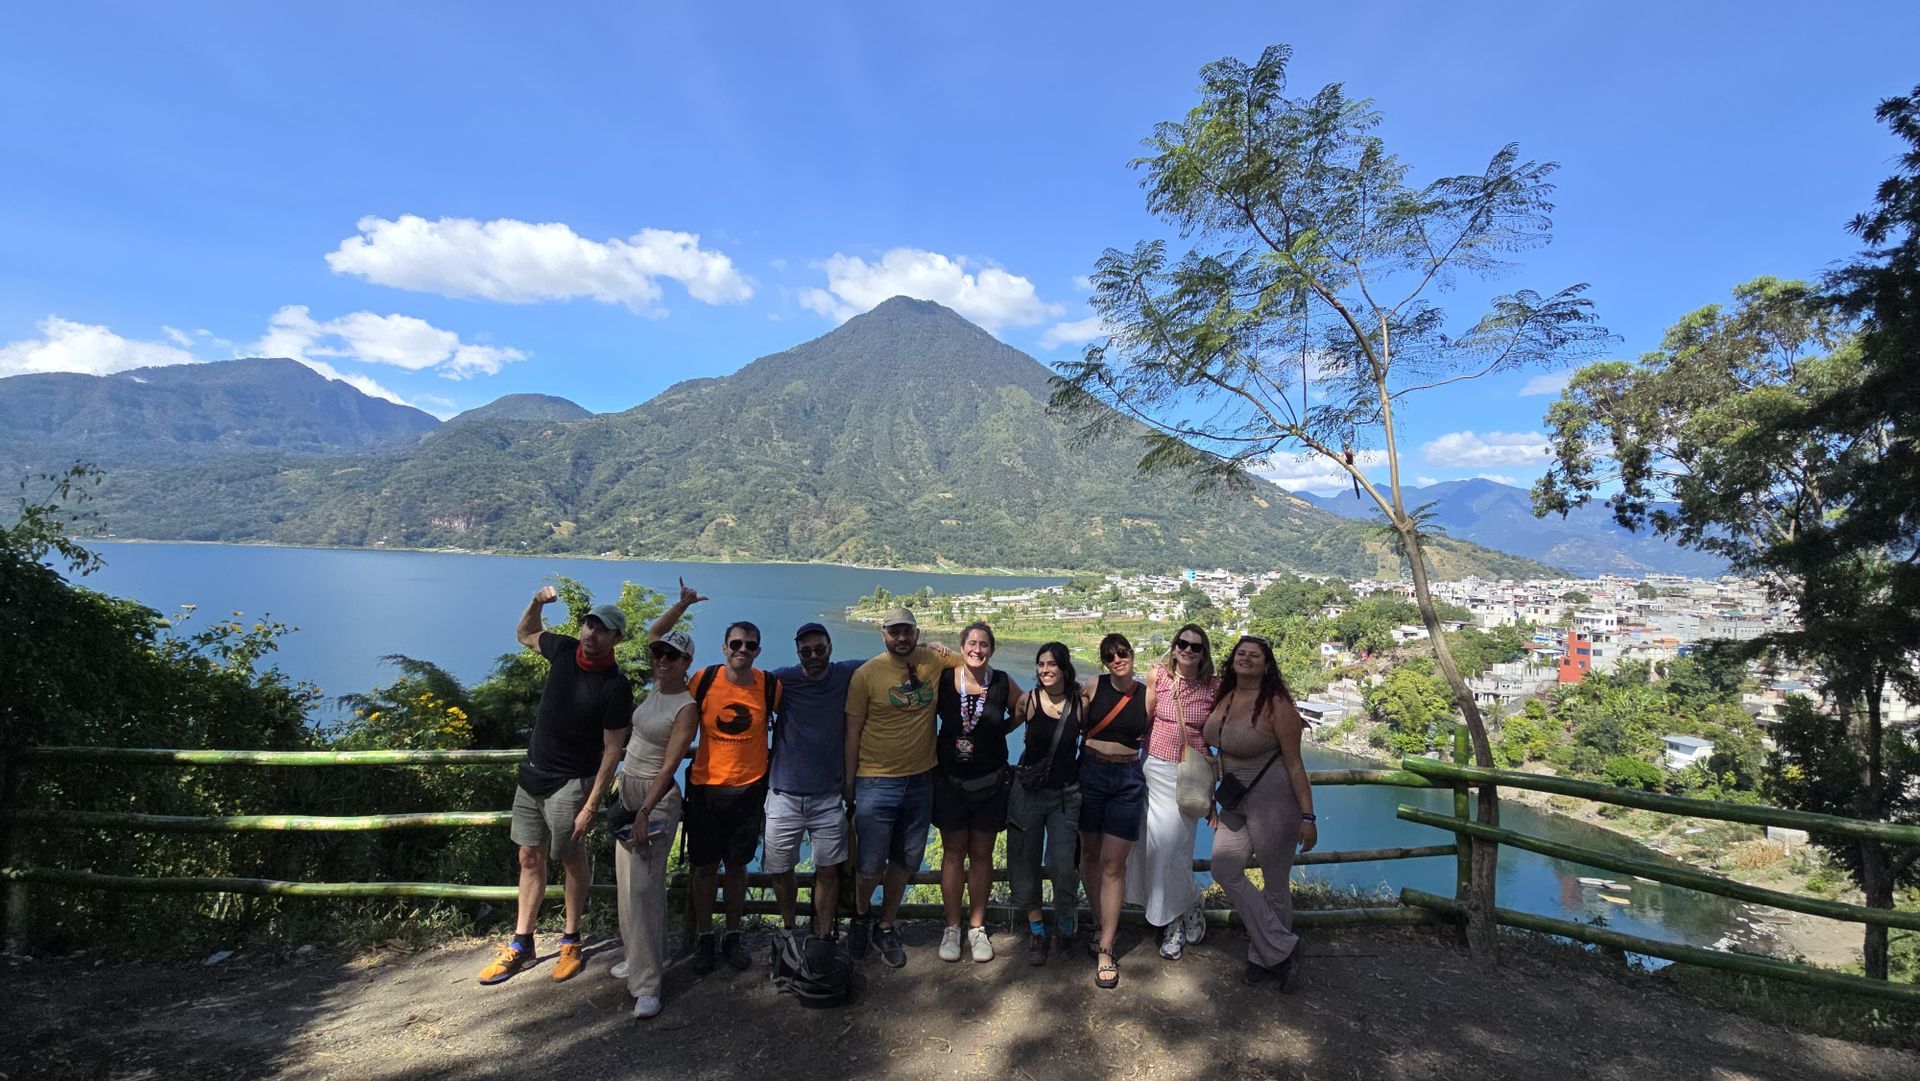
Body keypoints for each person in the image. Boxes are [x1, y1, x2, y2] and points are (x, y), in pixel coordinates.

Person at [476, 586, 632, 986]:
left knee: (570, 857)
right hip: (533, 774)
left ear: (616, 638)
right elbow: (526, 634)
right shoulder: (562, 650)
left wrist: (591, 804)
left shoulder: (616, 686)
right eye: (588, 624)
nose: (590, 634)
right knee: (529, 856)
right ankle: (522, 942)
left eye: (602, 629)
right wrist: (535, 603)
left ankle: (571, 940)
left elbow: (613, 751)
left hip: (572, 783)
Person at [634, 620, 782, 976]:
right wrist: (680, 607)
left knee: (736, 868)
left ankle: (731, 935)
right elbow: (659, 652)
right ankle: (704, 936)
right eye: (735, 644)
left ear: (758, 651)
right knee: (703, 869)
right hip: (705, 789)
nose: (741, 650)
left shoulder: (769, 687)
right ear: (724, 647)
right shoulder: (704, 679)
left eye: (749, 645)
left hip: (748, 791)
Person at [843, 606, 958, 968]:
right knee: (870, 863)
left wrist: (941, 647)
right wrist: (850, 782)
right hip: (877, 780)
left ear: (917, 632)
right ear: (884, 634)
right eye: (895, 632)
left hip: (922, 778)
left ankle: (886, 924)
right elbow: (852, 733)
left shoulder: (934, 661)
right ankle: (861, 916)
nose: (902, 638)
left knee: (906, 861)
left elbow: (973, 660)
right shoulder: (866, 674)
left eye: (908, 631)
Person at [610, 578, 704, 1019]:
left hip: (656, 798)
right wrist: (681, 605)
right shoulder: (655, 687)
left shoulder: (685, 706)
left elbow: (670, 765)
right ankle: (638, 957)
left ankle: (648, 984)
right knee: (627, 886)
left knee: (646, 889)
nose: (662, 659)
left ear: (687, 663)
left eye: (673, 656)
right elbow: (652, 633)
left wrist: (645, 810)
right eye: (659, 654)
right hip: (627, 789)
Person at [1203, 635, 1318, 991]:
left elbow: (1296, 765)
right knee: (1223, 867)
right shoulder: (1225, 694)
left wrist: (1308, 817)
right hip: (1236, 799)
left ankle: (1264, 957)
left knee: (1275, 882)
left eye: (1255, 655)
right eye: (1241, 653)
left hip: (1274, 799)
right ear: (1232, 659)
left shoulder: (1277, 705)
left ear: (1267, 665)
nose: (1247, 659)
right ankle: (1283, 948)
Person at [1127, 623, 1218, 960]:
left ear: (1204, 653)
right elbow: (1144, 720)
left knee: (1175, 850)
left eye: (1196, 647)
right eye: (1183, 643)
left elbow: (1218, 733)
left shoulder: (1213, 687)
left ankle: (1175, 918)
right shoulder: (1158, 677)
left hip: (1190, 776)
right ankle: (1184, 908)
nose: (1188, 650)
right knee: (1154, 849)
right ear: (1174, 645)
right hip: (1154, 769)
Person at [764, 622, 859, 942]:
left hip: (828, 795)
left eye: (819, 649)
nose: (813, 656)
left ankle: (823, 933)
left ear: (830, 647)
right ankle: (789, 929)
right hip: (783, 793)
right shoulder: (782, 680)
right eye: (806, 651)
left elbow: (889, 660)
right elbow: (744, 685)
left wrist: (930, 648)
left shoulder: (846, 674)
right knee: (779, 868)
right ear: (798, 653)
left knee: (829, 869)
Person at [932, 622, 1022, 963]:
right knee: (954, 853)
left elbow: (1023, 709)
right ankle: (952, 928)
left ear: (991, 649)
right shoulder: (944, 679)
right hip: (950, 781)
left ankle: (977, 927)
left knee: (982, 853)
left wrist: (1000, 729)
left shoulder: (1001, 682)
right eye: (971, 643)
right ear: (962, 646)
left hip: (990, 781)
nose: (977, 649)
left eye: (984, 644)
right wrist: (930, 644)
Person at [1078, 632, 1151, 989]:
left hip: (1127, 779)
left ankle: (1106, 946)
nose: (1117, 660)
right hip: (1090, 772)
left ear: (1132, 654)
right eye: (1109, 656)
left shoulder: (1146, 695)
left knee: (1113, 864)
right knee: (1089, 855)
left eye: (1122, 653)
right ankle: (1098, 923)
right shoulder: (1094, 685)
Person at [1006, 641, 1084, 966]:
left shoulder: (1080, 703)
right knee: (1024, 860)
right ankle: (1037, 929)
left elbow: (1096, 738)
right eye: (1040, 665)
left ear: (1064, 668)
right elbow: (1001, 728)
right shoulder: (1029, 700)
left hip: (1065, 795)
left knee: (1063, 864)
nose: (1045, 670)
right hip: (1028, 792)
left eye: (1052, 665)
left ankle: (1066, 919)